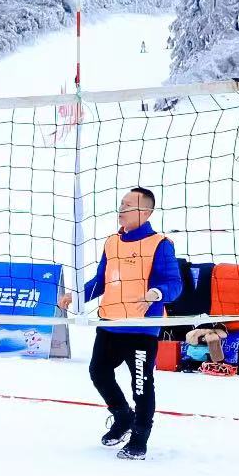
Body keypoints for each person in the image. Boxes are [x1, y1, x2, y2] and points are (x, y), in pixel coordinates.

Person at [67, 186, 181, 459]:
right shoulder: (111, 242)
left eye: (128, 205)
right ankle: (122, 417)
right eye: (121, 204)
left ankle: (139, 438)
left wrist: (156, 293)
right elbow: (100, 282)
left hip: (141, 328)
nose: (122, 209)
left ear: (146, 211)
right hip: (110, 324)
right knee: (99, 373)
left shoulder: (160, 243)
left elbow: (174, 284)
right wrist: (77, 296)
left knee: (141, 385)